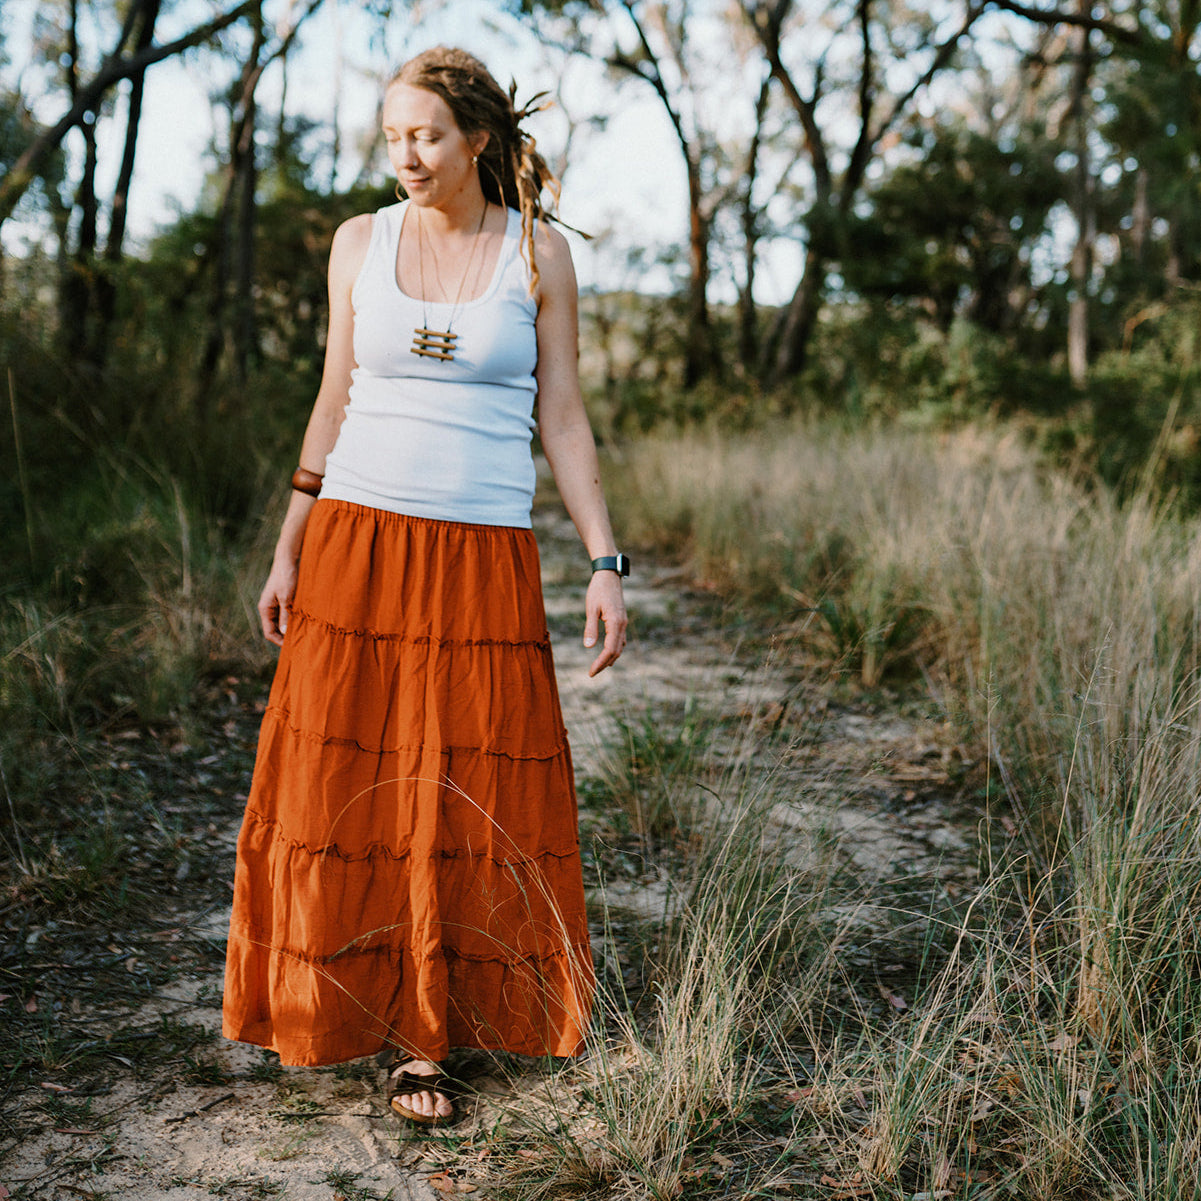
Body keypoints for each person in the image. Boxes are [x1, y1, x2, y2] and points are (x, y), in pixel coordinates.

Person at [221, 45, 628, 1127]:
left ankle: (431, 1034)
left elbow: (563, 417)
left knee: (464, 785)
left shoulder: (536, 254)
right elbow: (331, 400)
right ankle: (349, 1009)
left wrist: (602, 559)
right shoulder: (360, 242)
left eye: (427, 135)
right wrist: (287, 545)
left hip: (481, 555)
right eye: (394, 134)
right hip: (356, 539)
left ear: (478, 141)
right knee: (343, 783)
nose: (406, 154)